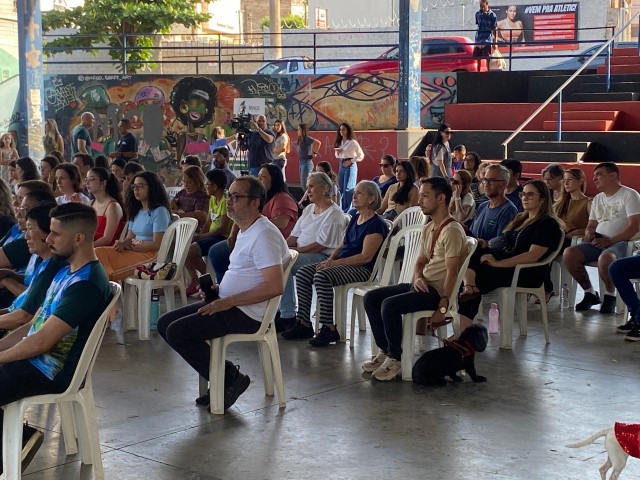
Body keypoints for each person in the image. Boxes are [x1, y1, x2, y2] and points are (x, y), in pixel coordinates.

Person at [158, 176, 290, 411]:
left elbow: (274, 286)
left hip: (248, 313)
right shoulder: (246, 229)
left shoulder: (264, 235)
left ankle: (228, 379)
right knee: (165, 323)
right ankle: (224, 377)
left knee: (178, 332)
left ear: (255, 202)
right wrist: (220, 289)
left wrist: (228, 301)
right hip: (231, 303)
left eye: (236, 197)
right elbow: (246, 273)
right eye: (229, 195)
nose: (229, 201)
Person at [0, 202, 112, 474]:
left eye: (55, 234)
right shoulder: (65, 271)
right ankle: (18, 440)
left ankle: (18, 444)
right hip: (36, 363)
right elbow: (32, 327)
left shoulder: (85, 285)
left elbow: (41, 342)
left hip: (51, 371)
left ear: (79, 238)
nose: (48, 239)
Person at [362, 177, 469, 381]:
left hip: (436, 292)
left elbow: (452, 271)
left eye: (425, 196)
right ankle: (386, 350)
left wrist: (443, 306)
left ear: (440, 198)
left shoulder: (452, 230)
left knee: (389, 305)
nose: (419, 201)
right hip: (421, 285)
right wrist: (418, 277)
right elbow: (420, 262)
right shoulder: (429, 227)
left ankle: (396, 359)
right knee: (371, 298)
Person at [283, 180, 387, 346]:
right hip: (343, 264)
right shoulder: (356, 217)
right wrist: (331, 260)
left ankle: (329, 328)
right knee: (303, 274)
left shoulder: (376, 224)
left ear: (371, 198)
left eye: (359, 193)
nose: (354, 196)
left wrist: (335, 264)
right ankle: (303, 323)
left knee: (322, 276)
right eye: (355, 192)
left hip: (361, 269)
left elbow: (365, 257)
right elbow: (341, 245)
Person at [458, 181, 563, 331]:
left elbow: (533, 256)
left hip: (525, 271)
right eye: (523, 194)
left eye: (530, 195)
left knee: (474, 278)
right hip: (509, 266)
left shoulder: (547, 223)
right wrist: (486, 244)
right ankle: (470, 288)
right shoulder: (522, 218)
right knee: (473, 252)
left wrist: (498, 263)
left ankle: (464, 326)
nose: (525, 198)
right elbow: (506, 243)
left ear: (543, 199)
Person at [563, 162, 640, 314]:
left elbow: (634, 227)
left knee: (606, 258)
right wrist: (589, 232)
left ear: (613, 175)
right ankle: (589, 292)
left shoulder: (630, 195)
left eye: (599, 175)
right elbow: (591, 224)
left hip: (622, 242)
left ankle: (610, 295)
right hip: (599, 241)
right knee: (570, 254)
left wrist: (610, 241)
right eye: (594, 176)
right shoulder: (598, 198)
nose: (594, 179)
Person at [278, 172, 346, 331]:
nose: (308, 191)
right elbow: (294, 236)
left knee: (283, 263)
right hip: (301, 253)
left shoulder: (334, 213)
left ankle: (287, 315)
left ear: (325, 188)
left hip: (322, 257)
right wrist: (282, 248)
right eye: (307, 187)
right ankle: (281, 311)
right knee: (276, 260)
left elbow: (320, 245)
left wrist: (294, 251)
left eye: (311, 186)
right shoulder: (309, 209)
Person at [207, 164, 298, 283]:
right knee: (217, 252)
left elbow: (281, 222)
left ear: (274, 179)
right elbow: (242, 217)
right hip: (249, 236)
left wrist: (251, 224)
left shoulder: (281, 199)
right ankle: (223, 283)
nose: (258, 180)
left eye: (262, 177)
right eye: (258, 176)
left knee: (217, 252)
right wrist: (234, 234)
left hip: (269, 244)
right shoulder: (260, 203)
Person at [0, 204, 67, 333]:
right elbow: (14, 310)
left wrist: (8, 281)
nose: (26, 236)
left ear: (49, 232)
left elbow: (24, 317)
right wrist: (10, 276)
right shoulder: (44, 261)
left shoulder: (54, 266)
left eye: (30, 229)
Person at [95, 171, 171, 281]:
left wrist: (130, 246)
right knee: (98, 252)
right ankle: (107, 284)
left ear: (152, 188)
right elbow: (130, 238)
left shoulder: (159, 211)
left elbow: (156, 244)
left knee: (105, 264)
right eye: (134, 186)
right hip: (134, 251)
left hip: (150, 255)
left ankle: (108, 286)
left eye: (141, 186)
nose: (136, 190)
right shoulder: (136, 210)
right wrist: (122, 244)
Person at [542, 168, 591, 302]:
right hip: (558, 236)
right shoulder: (560, 203)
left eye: (570, 180)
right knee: (539, 246)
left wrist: (577, 232)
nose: (566, 183)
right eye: (564, 181)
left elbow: (593, 227)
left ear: (580, 181)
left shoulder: (587, 203)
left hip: (573, 240)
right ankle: (541, 286)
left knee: (544, 248)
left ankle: (546, 288)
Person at [184, 169, 232, 296]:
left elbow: (222, 228)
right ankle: (198, 279)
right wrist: (198, 235)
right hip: (211, 235)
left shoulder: (225, 201)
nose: (205, 186)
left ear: (215, 186)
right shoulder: (212, 199)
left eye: (207, 184)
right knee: (185, 247)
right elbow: (208, 222)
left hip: (222, 237)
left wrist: (201, 237)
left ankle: (207, 280)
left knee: (190, 251)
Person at [468, 164, 518, 247]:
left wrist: (483, 243)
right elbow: (472, 234)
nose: (486, 184)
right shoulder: (482, 206)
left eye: (491, 181)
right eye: (485, 180)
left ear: (504, 184)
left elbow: (502, 244)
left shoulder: (508, 210)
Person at [86, 167, 125, 247]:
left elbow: (107, 239)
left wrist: (86, 247)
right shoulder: (90, 203)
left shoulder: (113, 206)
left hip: (106, 249)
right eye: (86, 179)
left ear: (104, 182)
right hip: (92, 247)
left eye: (91, 179)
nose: (87, 183)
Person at [334, 122, 365, 212]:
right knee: (341, 187)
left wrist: (351, 161)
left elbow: (361, 155)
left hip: (350, 164)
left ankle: (347, 210)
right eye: (340, 130)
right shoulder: (339, 142)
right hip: (341, 163)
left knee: (348, 188)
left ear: (348, 130)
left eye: (344, 129)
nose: (341, 132)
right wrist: (338, 152)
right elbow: (336, 155)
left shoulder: (353, 142)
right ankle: (341, 208)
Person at [474, 0, 498, 71]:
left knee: (487, 58)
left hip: (487, 39)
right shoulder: (478, 14)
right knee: (478, 58)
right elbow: (478, 25)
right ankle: (478, 73)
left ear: (487, 5)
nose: (482, 8)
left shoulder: (492, 15)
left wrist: (495, 42)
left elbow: (495, 29)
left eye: (483, 6)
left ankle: (488, 73)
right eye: (481, 6)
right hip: (478, 38)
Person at [296, 123, 321, 190]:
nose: (297, 131)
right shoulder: (300, 139)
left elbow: (318, 143)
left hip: (306, 162)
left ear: (303, 130)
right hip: (301, 161)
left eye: (299, 129)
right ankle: (307, 195)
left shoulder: (307, 138)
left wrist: (314, 152)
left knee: (306, 184)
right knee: (303, 184)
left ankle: (309, 196)